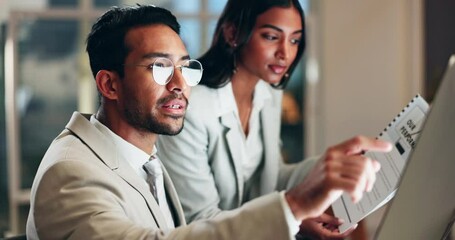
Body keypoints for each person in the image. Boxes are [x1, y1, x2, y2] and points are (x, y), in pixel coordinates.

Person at [26, 4, 391, 240]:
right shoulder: (70, 174)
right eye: (160, 67)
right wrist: (292, 208)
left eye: (185, 66)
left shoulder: (143, 158)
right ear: (109, 84)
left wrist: (325, 176)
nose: (180, 84)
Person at [156, 0, 366, 239]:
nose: (285, 53)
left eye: (294, 40)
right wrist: (293, 217)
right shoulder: (192, 109)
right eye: (271, 36)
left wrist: (335, 165)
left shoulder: (269, 93)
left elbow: (271, 177)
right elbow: (199, 221)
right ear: (233, 33)